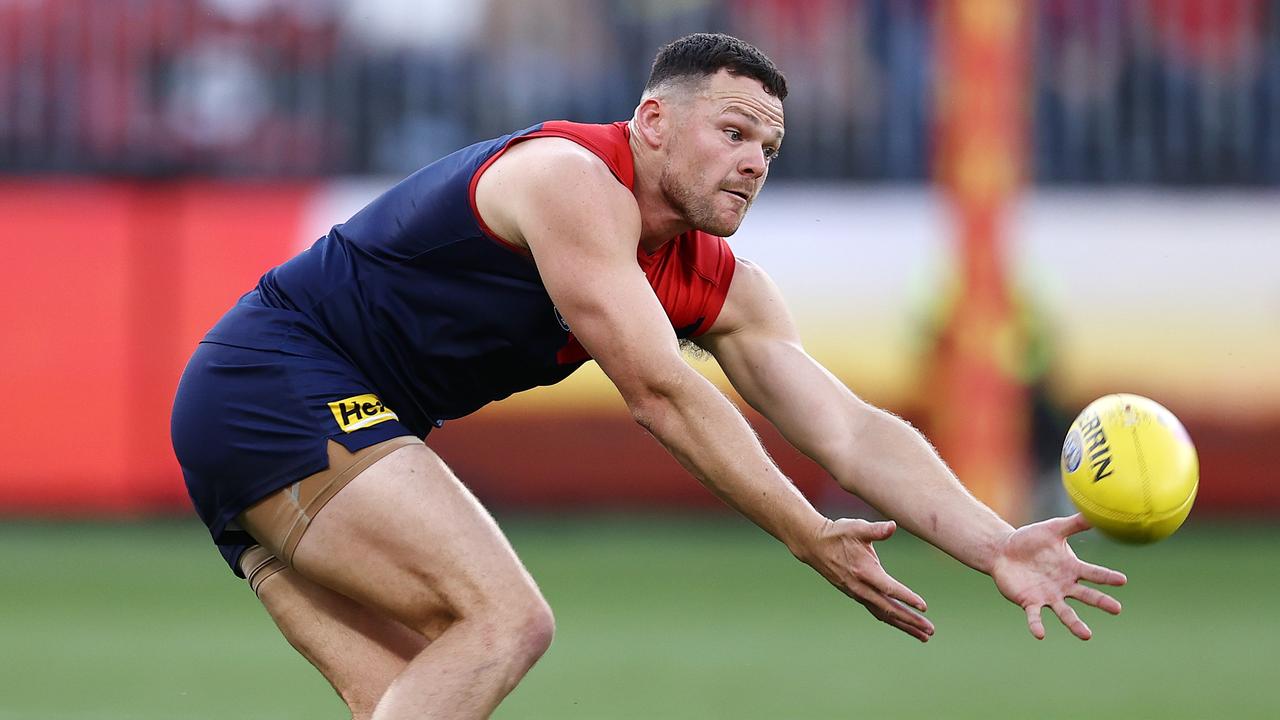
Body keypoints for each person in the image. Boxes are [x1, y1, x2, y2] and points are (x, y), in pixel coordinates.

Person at [171, 32, 1126, 720]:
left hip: (273, 419)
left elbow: (848, 429)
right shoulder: (571, 181)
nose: (753, 163)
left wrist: (994, 544)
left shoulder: (720, 284)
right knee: (506, 622)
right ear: (654, 121)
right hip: (274, 383)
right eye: (734, 132)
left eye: (769, 149)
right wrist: (806, 532)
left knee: (417, 694)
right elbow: (659, 393)